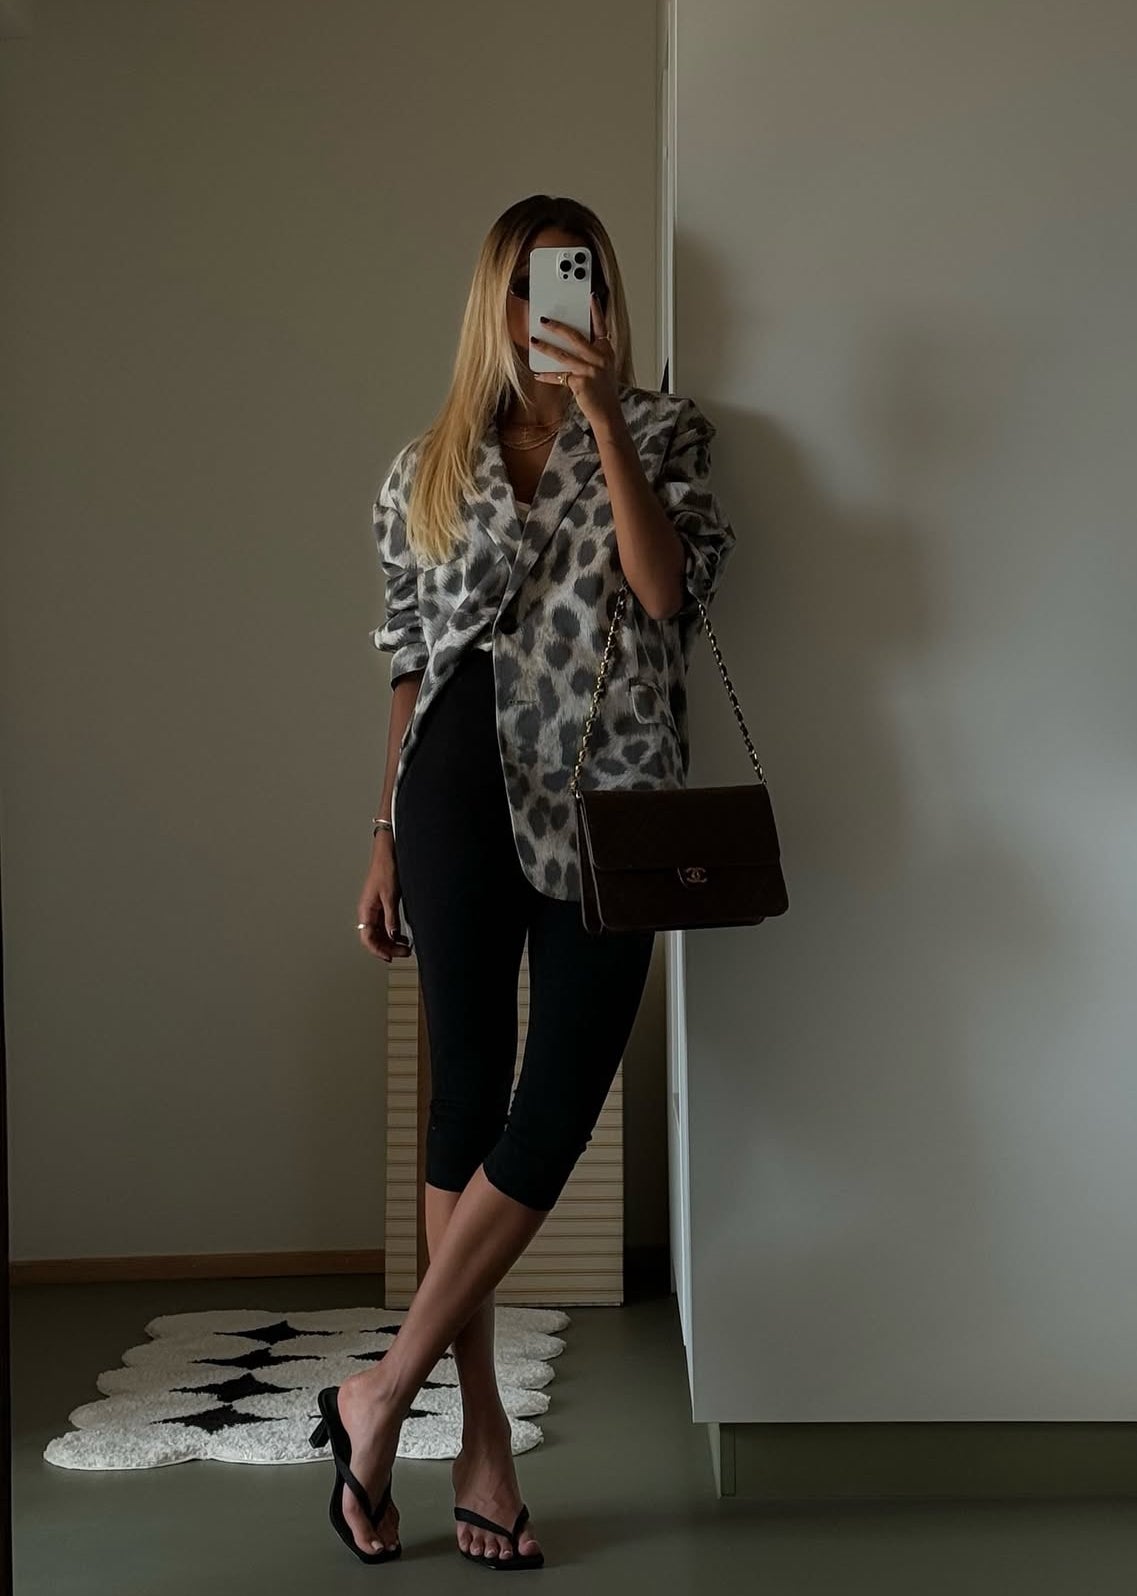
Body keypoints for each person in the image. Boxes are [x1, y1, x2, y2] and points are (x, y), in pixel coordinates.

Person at [312, 194, 735, 1570]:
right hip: (454, 793)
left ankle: (379, 1394)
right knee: (467, 1103)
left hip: (612, 799)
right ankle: (479, 1438)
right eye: (533, 284)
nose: (558, 305)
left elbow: (666, 597)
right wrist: (382, 834)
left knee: (553, 1111)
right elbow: (409, 666)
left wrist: (603, 417)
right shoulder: (425, 467)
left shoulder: (665, 432)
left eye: (580, 279)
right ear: (493, 302)